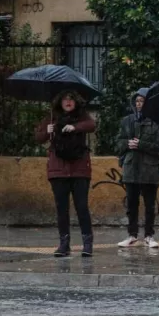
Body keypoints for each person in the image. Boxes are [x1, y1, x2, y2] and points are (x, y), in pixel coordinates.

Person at [34, 90, 97, 257]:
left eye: (71, 99)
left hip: (80, 169)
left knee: (81, 207)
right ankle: (64, 244)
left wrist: (75, 127)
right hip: (58, 170)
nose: (68, 102)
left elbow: (92, 125)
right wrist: (47, 131)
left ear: (76, 102)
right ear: (59, 102)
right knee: (62, 209)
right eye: (64, 99)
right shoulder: (52, 117)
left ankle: (87, 243)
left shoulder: (82, 116)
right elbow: (38, 137)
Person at [117, 87, 159, 249]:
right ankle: (132, 235)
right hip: (131, 169)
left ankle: (149, 235)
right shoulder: (127, 121)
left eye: (142, 101)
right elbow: (118, 143)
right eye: (137, 101)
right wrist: (127, 144)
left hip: (149, 171)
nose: (139, 104)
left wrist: (141, 144)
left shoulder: (156, 123)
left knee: (150, 205)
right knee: (131, 204)